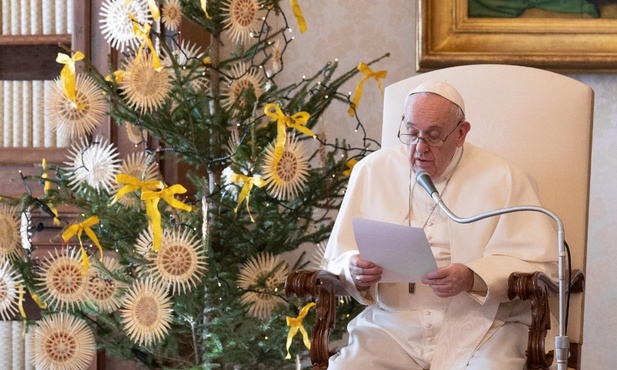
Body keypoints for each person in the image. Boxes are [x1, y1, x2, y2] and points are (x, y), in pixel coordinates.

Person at [323, 81, 558, 369]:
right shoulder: (371, 171)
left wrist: (473, 277)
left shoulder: (505, 178)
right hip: (394, 324)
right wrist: (354, 269)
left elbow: (543, 268)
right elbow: (336, 259)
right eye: (411, 133)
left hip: (485, 324)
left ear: (461, 133)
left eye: (433, 136)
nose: (419, 148)